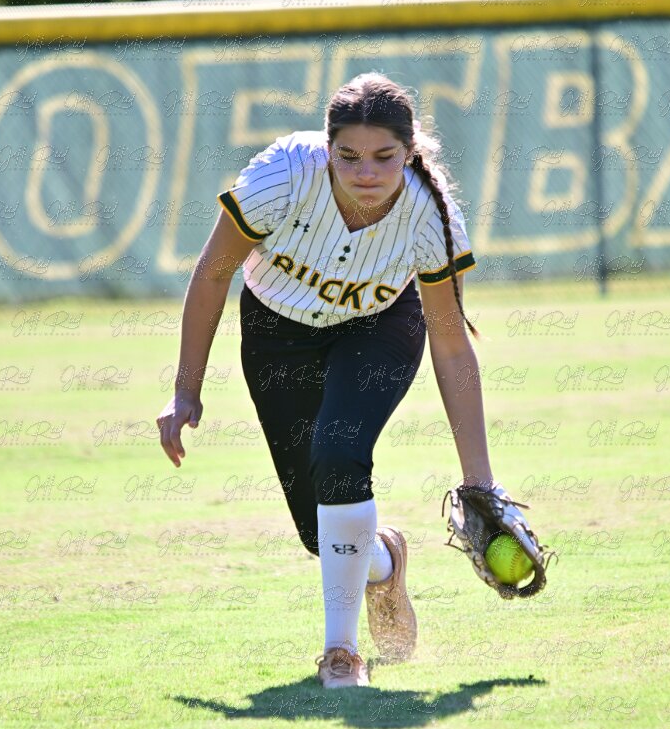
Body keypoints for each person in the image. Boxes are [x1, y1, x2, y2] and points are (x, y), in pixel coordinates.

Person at [156, 72, 497, 689]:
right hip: (276, 329)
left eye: (384, 156)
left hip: (379, 326)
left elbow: (450, 344)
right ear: (327, 145)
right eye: (349, 155)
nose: (366, 172)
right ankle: (383, 560)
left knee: (340, 453)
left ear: (410, 149)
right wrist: (186, 388)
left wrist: (480, 483)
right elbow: (212, 273)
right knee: (322, 534)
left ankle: (341, 653)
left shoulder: (430, 213)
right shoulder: (283, 175)